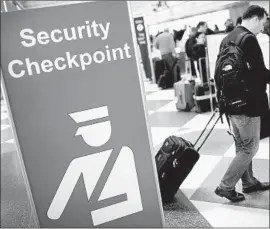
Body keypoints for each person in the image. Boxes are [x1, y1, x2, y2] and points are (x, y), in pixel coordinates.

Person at [215, 5, 270, 202]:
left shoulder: (226, 38)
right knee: (250, 147)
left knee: (241, 145)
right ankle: (225, 186)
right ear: (255, 19)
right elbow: (260, 73)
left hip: (230, 104)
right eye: (263, 23)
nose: (262, 28)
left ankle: (248, 182)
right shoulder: (249, 39)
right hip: (248, 103)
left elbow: (218, 74)